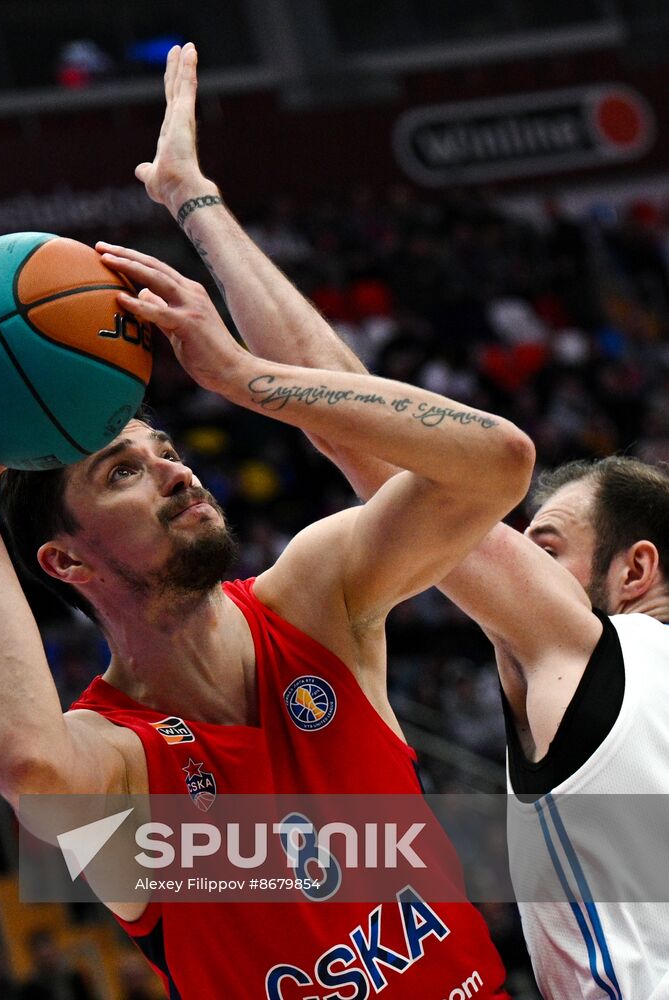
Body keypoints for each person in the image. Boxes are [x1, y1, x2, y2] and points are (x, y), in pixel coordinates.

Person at [0, 45, 536, 997]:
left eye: (162, 449)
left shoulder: (320, 600)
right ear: (66, 561)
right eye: (122, 470)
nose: (172, 470)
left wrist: (247, 376)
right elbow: (29, 763)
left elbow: (494, 466)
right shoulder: (119, 762)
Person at [122, 43, 669, 1000]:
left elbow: (371, 448)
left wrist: (206, 240)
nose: (478, 551)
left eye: (539, 544)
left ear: (634, 576)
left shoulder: (610, 663)